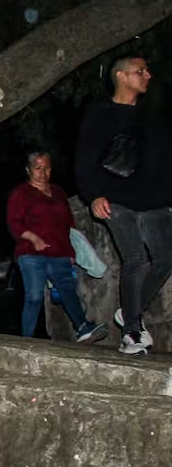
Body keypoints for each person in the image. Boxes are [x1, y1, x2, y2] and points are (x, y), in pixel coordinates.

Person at [76, 56, 172, 354]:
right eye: (140, 71)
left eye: (147, 70)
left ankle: (130, 312)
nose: (147, 75)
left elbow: (165, 161)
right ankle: (131, 332)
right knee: (136, 259)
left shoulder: (151, 117)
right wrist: (93, 195)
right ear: (121, 76)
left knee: (167, 258)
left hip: (152, 201)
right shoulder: (100, 113)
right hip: (115, 199)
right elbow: (84, 158)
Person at [6, 151, 107, 342]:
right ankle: (25, 340)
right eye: (38, 167)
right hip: (31, 253)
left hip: (59, 251)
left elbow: (69, 224)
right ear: (28, 170)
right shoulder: (21, 193)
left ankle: (83, 328)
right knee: (34, 295)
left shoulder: (59, 192)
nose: (42, 172)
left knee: (68, 290)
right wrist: (34, 239)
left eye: (47, 167)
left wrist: (71, 252)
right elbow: (14, 222)